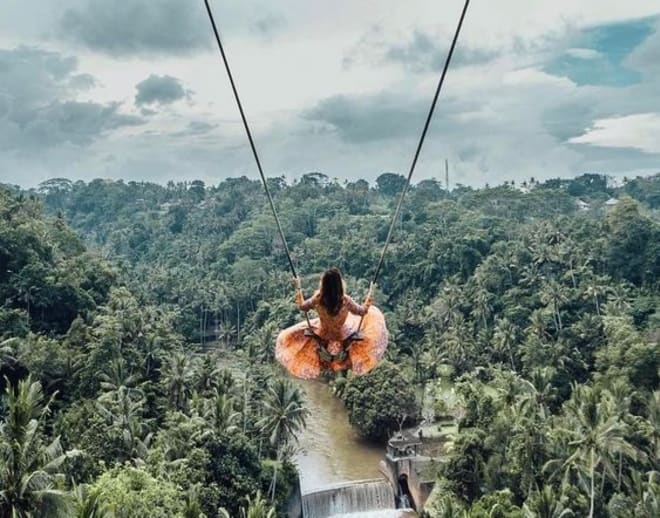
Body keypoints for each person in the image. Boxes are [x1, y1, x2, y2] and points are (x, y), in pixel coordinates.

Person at [275, 268, 388, 379]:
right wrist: (370, 293)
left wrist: (298, 286)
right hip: (341, 333)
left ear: (323, 284)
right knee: (364, 323)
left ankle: (325, 357)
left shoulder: (318, 298)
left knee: (303, 337)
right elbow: (362, 311)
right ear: (339, 284)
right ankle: (343, 353)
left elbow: (303, 307)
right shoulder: (345, 300)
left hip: (322, 332)